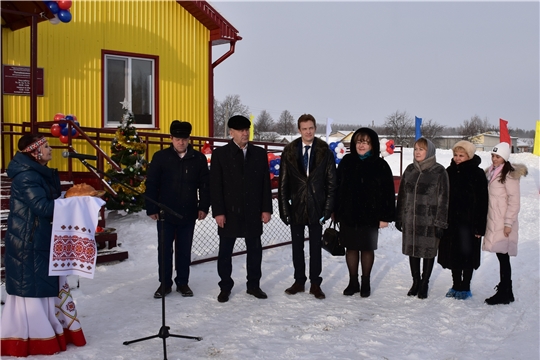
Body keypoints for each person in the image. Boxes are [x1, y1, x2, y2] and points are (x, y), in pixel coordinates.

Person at [1, 134, 86, 357]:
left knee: (43, 289)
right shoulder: (26, 176)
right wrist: (74, 201)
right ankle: (34, 338)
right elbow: (43, 207)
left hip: (38, 238)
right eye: (46, 146)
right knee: (31, 293)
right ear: (35, 152)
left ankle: (50, 330)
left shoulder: (37, 173)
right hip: (28, 242)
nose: (50, 149)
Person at [210, 115, 273, 303]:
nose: (245, 133)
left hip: (253, 211)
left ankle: (253, 285)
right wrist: (219, 212)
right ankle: (225, 286)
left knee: (254, 249)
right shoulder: (221, 154)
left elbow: (265, 184)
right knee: (225, 251)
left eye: (247, 129)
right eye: (240, 130)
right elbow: (215, 185)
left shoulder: (259, 154)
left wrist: (266, 209)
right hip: (229, 212)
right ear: (231, 132)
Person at [145, 120, 210, 298]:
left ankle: (183, 282)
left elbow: (205, 185)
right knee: (164, 250)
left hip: (188, 212)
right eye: (177, 139)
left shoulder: (198, 159)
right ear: (171, 138)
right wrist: (152, 207)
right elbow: (152, 183)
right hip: (165, 212)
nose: (181, 142)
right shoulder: (160, 157)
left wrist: (203, 206)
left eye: (184, 139)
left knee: (184, 249)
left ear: (189, 139)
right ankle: (164, 284)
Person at [278, 114, 337, 299]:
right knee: (297, 247)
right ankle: (299, 281)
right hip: (296, 206)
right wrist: (284, 209)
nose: (308, 131)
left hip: (316, 206)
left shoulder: (324, 151)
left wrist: (327, 210)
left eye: (311, 128)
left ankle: (315, 283)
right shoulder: (289, 151)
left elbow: (331, 183)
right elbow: (283, 184)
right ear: (299, 130)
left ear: (315, 128)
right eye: (304, 128)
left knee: (315, 247)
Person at [334, 128, 395, 298]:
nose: (362, 145)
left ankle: (366, 282)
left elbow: (388, 193)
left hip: (371, 216)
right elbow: (337, 188)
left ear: (373, 144)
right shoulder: (347, 161)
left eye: (366, 142)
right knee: (351, 248)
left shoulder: (380, 165)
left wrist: (386, 217)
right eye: (359, 141)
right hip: (349, 214)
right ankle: (353, 282)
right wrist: (335, 210)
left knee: (367, 249)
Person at [396, 137, 449, 299]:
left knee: (427, 252)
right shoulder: (410, 170)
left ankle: (425, 283)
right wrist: (399, 217)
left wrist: (440, 222)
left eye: (421, 149)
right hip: (411, 220)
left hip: (429, 221)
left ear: (430, 152)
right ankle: (416, 281)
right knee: (413, 251)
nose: (417, 152)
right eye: (416, 149)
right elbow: (403, 196)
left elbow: (443, 199)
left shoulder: (439, 172)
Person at [437, 140, 488, 300]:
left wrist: (480, 227)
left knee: (467, 254)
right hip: (451, 221)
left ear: (469, 156)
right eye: (455, 155)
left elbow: (483, 201)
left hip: (469, 223)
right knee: (453, 254)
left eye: (461, 155)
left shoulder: (477, 174)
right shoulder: (448, 172)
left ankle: (465, 286)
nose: (457, 158)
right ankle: (455, 284)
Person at [482, 142, 528, 305]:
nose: (494, 159)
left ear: (505, 157)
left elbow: (514, 201)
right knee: (501, 256)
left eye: (498, 156)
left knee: (503, 257)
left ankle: (505, 291)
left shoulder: (509, 175)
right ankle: (506, 290)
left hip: (503, 222)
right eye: (493, 156)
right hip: (494, 220)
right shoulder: (493, 172)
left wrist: (508, 223)